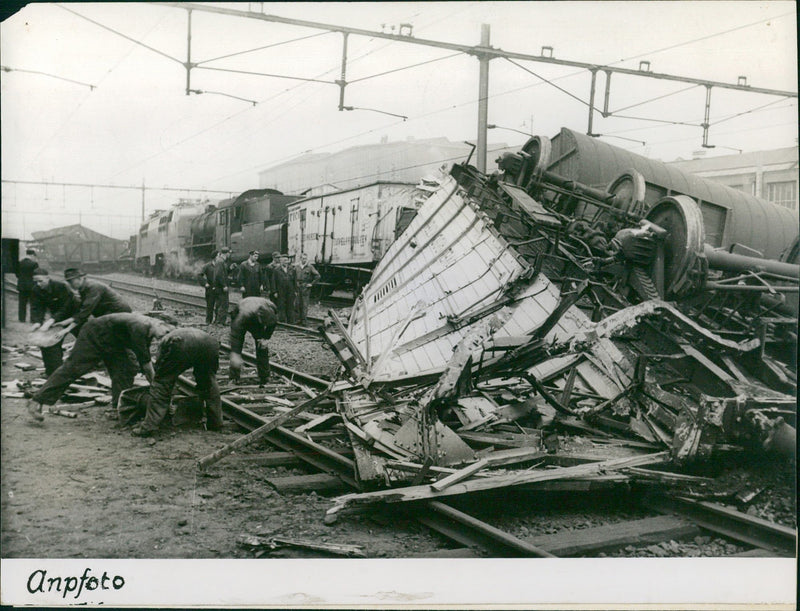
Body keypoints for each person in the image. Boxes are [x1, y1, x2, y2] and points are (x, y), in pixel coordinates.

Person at [26, 313, 173, 421]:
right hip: (94, 334)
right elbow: (146, 364)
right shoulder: (140, 327)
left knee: (126, 370)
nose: (165, 337)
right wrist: (158, 387)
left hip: (113, 342)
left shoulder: (147, 330)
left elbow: (143, 359)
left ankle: (118, 407)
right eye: (166, 332)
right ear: (159, 323)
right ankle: (37, 400)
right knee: (72, 369)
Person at [131, 327, 222, 437]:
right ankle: (216, 423)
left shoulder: (167, 340)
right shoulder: (185, 332)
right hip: (210, 344)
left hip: (182, 344)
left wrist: (159, 383)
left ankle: (149, 427)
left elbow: (160, 373)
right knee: (209, 382)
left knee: (161, 383)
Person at [30, 269, 81, 376]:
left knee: (87, 339)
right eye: (35, 282)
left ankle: (98, 364)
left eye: (40, 281)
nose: (38, 284)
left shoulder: (60, 286)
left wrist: (51, 320)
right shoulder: (36, 290)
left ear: (48, 278)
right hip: (57, 319)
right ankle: (54, 372)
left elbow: (66, 307)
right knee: (49, 343)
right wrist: (37, 322)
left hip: (75, 316)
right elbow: (36, 307)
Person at [56, 268, 132, 335]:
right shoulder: (83, 288)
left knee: (102, 333)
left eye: (72, 281)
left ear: (80, 278)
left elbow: (86, 311)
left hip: (118, 311)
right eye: (69, 282)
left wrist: (67, 329)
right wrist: (66, 322)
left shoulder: (93, 287)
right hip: (108, 312)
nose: (70, 284)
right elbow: (82, 309)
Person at [228, 297, 278, 386]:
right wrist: (235, 353)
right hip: (241, 316)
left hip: (255, 320)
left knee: (262, 346)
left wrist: (265, 338)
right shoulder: (243, 315)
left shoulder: (272, 310)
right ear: (259, 318)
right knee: (236, 351)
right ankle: (234, 377)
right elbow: (236, 335)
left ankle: (264, 376)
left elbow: (272, 325)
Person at [294, 252, 321, 325]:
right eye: (303, 258)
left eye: (305, 258)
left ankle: (304, 320)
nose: (304, 260)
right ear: (300, 259)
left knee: (304, 304)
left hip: (305, 287)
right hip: (297, 286)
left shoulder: (310, 267)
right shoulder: (296, 267)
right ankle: (297, 319)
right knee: (297, 304)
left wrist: (311, 284)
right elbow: (293, 277)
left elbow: (317, 276)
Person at [270, 255, 296, 323]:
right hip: (280, 291)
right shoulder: (276, 270)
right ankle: (282, 321)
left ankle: (291, 321)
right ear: (281, 261)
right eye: (284, 260)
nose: (286, 262)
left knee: (290, 305)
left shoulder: (292, 269)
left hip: (290, 291)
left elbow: (295, 281)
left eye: (287, 260)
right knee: (281, 306)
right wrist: (274, 291)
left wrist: (295, 290)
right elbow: (273, 281)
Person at [16, 249, 39, 322]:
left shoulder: (19, 263)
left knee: (22, 303)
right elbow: (36, 275)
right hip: (31, 286)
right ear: (32, 255)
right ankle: (33, 319)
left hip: (21, 286)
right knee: (33, 303)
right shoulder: (34, 264)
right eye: (34, 256)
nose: (34, 257)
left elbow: (17, 274)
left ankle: (21, 319)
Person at [212, 247, 231, 325]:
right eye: (229, 253)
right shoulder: (220, 261)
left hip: (218, 287)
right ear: (226, 253)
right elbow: (219, 275)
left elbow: (222, 274)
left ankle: (218, 321)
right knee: (223, 304)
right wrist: (224, 285)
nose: (229, 255)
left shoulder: (220, 261)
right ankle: (220, 322)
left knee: (220, 304)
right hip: (220, 287)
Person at [200, 252, 218, 324]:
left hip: (218, 288)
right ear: (215, 257)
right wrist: (205, 283)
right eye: (218, 256)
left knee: (219, 306)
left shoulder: (221, 265)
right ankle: (208, 321)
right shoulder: (207, 266)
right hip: (210, 289)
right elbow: (199, 275)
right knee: (210, 305)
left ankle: (217, 321)